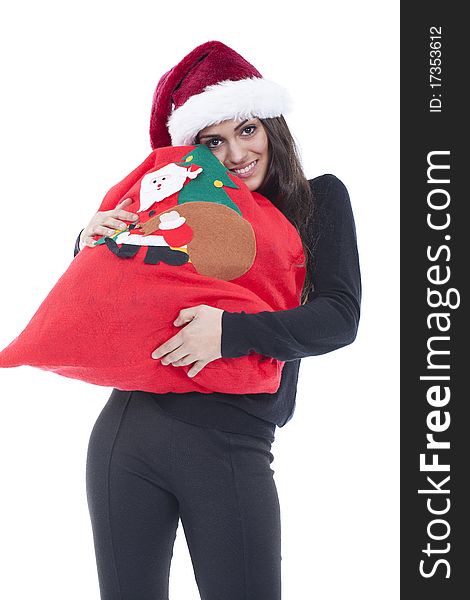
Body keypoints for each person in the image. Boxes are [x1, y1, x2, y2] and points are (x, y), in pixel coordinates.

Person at [76, 40, 362, 600]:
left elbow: (340, 316)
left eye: (247, 130)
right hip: (127, 434)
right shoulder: (181, 206)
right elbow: (112, 301)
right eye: (215, 141)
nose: (235, 154)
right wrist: (88, 244)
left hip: (232, 444)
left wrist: (230, 333)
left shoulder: (318, 199)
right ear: (196, 150)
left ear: (271, 128)